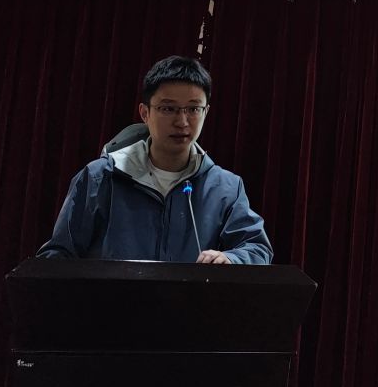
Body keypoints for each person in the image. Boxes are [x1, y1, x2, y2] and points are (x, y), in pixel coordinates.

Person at [37, 55, 272, 264]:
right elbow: (59, 254)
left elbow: (257, 248)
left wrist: (231, 259)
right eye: (168, 109)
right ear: (145, 113)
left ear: (206, 112)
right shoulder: (101, 177)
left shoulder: (225, 187)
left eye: (193, 109)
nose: (182, 122)